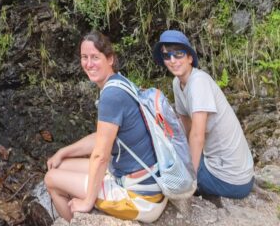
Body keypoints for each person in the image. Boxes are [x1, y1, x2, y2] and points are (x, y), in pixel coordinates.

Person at [44, 31, 167, 222]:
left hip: (140, 198)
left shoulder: (111, 96)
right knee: (61, 164)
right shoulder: (120, 83)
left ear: (110, 59)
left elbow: (101, 156)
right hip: (143, 179)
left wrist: (87, 201)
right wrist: (63, 152)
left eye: (95, 57)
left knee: (50, 179)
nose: (89, 63)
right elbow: (101, 137)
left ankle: (75, 221)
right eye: (84, 57)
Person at [153, 29, 254, 199]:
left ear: (190, 57)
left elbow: (197, 135)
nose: (172, 60)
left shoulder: (199, 82)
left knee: (166, 174)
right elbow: (185, 128)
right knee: (168, 159)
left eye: (179, 54)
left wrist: (189, 178)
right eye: (167, 55)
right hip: (223, 167)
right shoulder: (177, 83)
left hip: (231, 179)